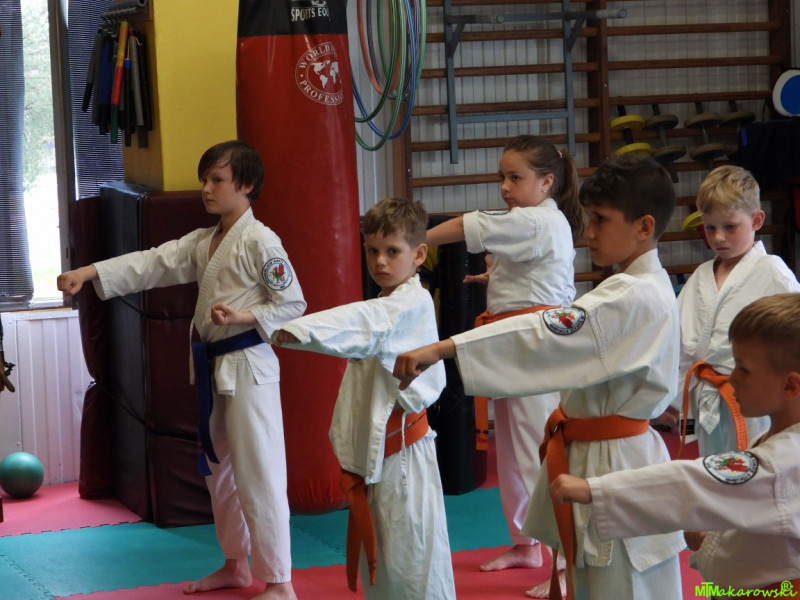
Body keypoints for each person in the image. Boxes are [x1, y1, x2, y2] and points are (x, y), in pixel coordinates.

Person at [394, 155, 685, 600]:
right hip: (609, 452)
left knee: (621, 584)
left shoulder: (632, 294)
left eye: (601, 220)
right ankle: (529, 547)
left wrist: (443, 348)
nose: (589, 232)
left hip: (615, 459)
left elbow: (544, 331)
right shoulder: (638, 286)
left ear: (644, 227)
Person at [56, 140, 305, 600]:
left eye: (218, 180)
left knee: (259, 472)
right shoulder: (205, 241)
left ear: (247, 185)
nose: (207, 189)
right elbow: (153, 261)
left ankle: (280, 580)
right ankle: (235, 564)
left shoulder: (261, 241)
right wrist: (89, 272)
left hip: (249, 367)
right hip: (215, 368)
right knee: (219, 473)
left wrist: (244, 316)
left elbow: (293, 304)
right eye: (204, 180)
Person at [550, 292, 800, 591]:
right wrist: (714, 541)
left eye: (743, 369)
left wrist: (596, 489)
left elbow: (697, 481)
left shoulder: (785, 459)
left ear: (791, 385)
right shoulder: (781, 445)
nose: (731, 378)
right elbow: (767, 520)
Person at [272, 197, 456, 600]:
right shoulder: (387, 302)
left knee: (411, 560)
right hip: (381, 456)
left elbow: (369, 323)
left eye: (392, 251)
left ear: (419, 255)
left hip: (404, 456)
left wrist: (305, 329)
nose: (380, 261)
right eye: (372, 251)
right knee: (388, 561)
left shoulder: (409, 304)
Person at [425, 135, 583, 584]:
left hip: (539, 349)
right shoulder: (536, 220)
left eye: (516, 178)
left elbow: (470, 225)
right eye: (502, 177)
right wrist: (497, 277)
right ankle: (526, 544)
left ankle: (566, 558)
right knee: (513, 451)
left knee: (539, 451)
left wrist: (415, 239)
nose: (505, 187)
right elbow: (536, 272)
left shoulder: (536, 219)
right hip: (516, 345)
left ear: (546, 182)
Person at [667, 165, 800, 457]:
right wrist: (670, 396)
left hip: (758, 399)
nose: (718, 238)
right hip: (707, 396)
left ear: (756, 220)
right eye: (710, 227)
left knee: (759, 468)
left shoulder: (773, 271)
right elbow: (676, 341)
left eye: (729, 227)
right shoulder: (701, 276)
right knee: (714, 470)